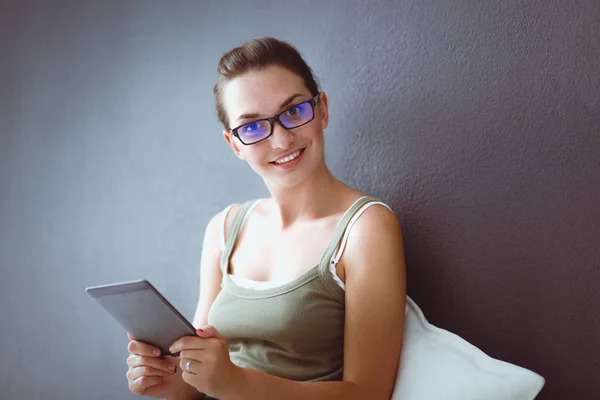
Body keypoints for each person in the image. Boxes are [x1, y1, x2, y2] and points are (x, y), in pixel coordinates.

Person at [125, 37, 406, 400]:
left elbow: (369, 393)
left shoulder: (366, 228)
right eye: (253, 127)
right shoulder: (224, 229)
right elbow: (199, 383)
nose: (281, 140)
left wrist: (237, 383)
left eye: (293, 112)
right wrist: (167, 380)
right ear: (234, 144)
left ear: (321, 109)